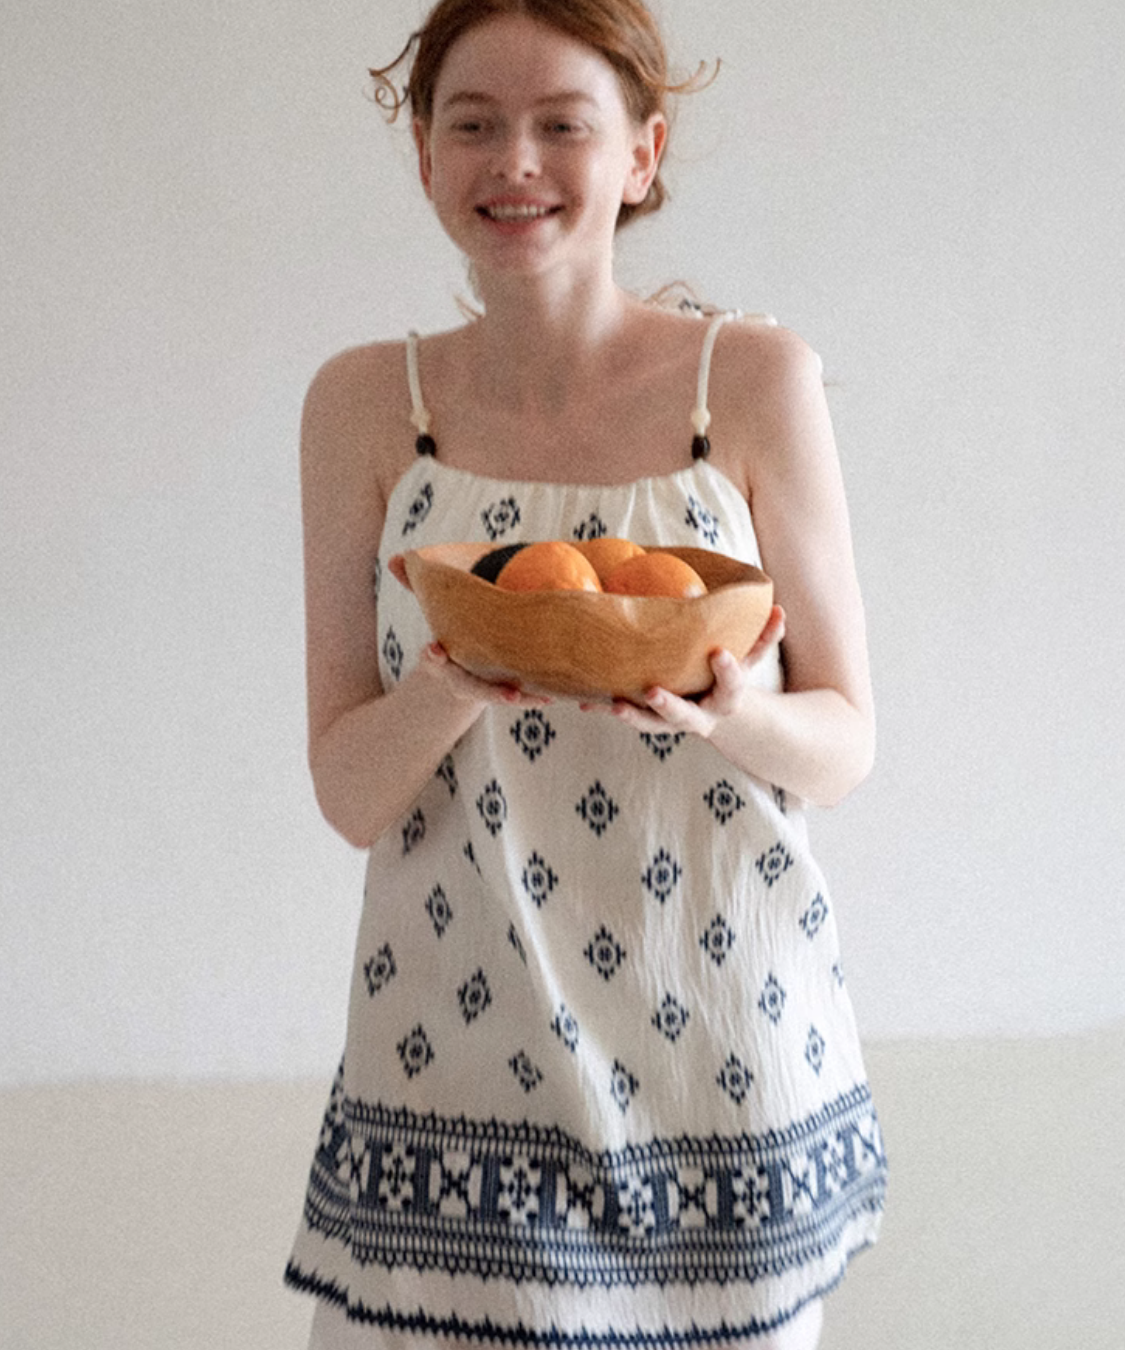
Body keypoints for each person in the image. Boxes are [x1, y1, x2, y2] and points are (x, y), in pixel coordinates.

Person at [285, 2, 887, 1347]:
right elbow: (348, 788)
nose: (516, 162)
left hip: (722, 1058)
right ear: (426, 156)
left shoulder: (752, 382)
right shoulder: (365, 406)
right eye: (473, 124)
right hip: (453, 1071)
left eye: (563, 124)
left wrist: (732, 707)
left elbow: (846, 741)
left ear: (641, 152)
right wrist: (455, 674)